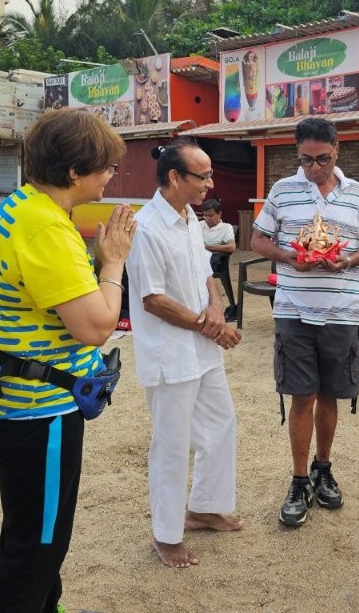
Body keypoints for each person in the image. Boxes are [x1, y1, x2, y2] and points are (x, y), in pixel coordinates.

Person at [0, 108, 135, 613]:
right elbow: (95, 327)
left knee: (37, 533)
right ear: (75, 171)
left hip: (10, 395)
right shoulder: (45, 229)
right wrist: (113, 261)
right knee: (37, 548)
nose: (111, 175)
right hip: (36, 412)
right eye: (106, 166)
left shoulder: (25, 207)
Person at [250, 117, 359, 528]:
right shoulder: (282, 190)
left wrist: (350, 259)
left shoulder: (356, 193)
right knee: (302, 396)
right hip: (293, 309)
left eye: (323, 159)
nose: (314, 168)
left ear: (337, 150)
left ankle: (322, 468)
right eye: (306, 160)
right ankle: (298, 481)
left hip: (342, 310)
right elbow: (258, 239)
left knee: (330, 396)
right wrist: (290, 257)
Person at [126, 140, 243, 569]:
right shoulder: (146, 228)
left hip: (201, 348)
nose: (210, 184)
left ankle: (205, 508)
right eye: (203, 176)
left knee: (220, 424)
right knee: (172, 444)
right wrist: (208, 325)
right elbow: (152, 300)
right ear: (175, 177)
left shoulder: (191, 217)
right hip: (169, 354)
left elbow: (205, 273)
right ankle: (167, 534)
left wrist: (215, 307)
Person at [199, 198, 237, 322]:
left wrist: (207, 247)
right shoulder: (200, 225)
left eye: (210, 215)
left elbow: (231, 247)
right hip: (200, 258)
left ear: (219, 214)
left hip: (217, 261)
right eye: (205, 215)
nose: (207, 218)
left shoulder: (226, 227)